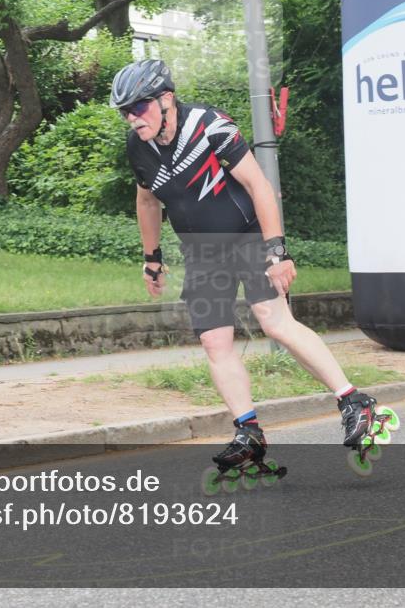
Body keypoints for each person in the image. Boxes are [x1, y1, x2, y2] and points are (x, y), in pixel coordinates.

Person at [111, 59, 379, 471]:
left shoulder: (210, 125)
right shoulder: (138, 147)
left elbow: (258, 184)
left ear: (166, 99)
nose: (132, 118)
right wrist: (152, 258)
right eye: (124, 112)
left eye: (138, 107)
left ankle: (353, 401)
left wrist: (277, 250)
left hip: (247, 236)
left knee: (274, 322)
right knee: (213, 342)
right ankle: (248, 432)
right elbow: (147, 200)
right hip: (201, 251)